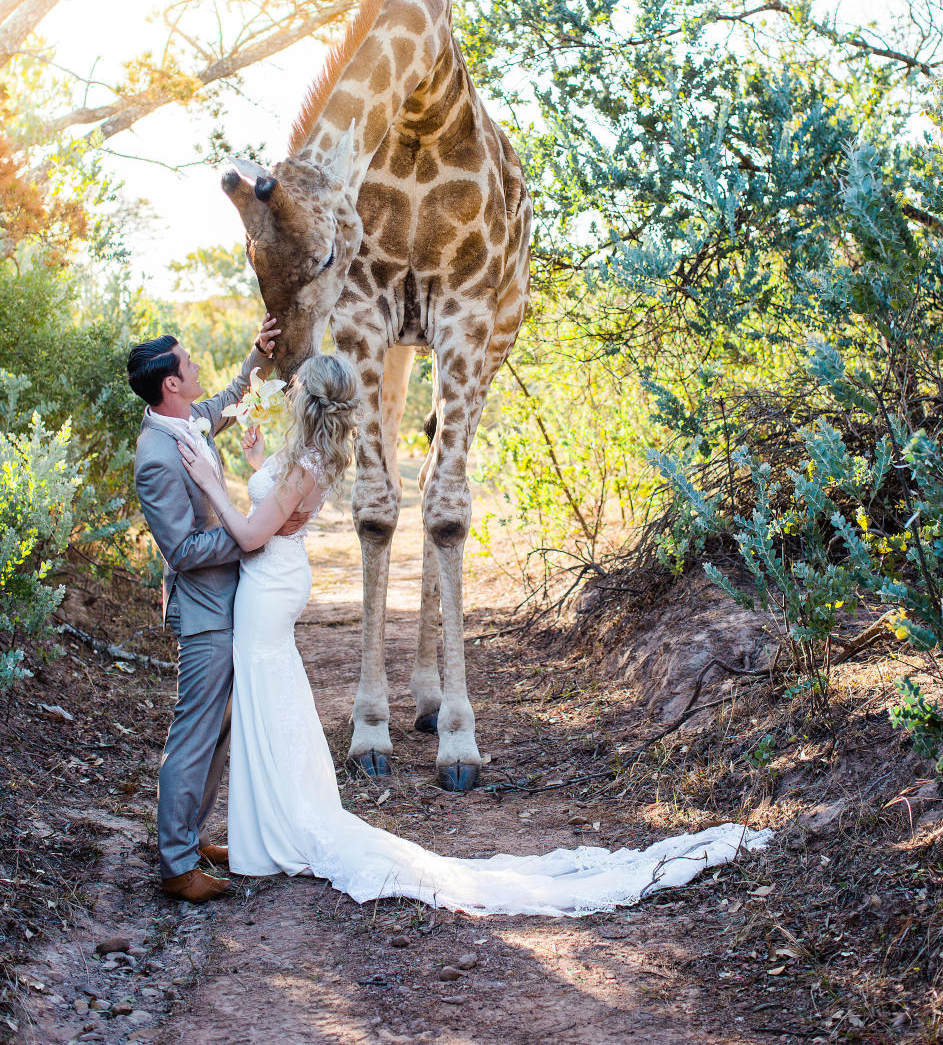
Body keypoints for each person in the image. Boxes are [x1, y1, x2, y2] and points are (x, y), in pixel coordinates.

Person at [177, 350, 771, 916]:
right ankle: (266, 829)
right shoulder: (309, 454)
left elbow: (255, 534)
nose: (289, 387)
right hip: (275, 580)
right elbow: (276, 504)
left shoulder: (306, 461)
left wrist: (209, 482)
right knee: (269, 697)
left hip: (269, 582)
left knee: (266, 692)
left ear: (307, 398)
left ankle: (275, 830)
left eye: (296, 382)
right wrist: (256, 466)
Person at [128, 314, 308, 904]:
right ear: (171, 384)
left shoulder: (186, 421)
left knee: (219, 729)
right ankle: (177, 865)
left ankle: (191, 837)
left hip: (227, 603)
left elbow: (231, 402)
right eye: (188, 363)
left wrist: (257, 356)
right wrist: (255, 530)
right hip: (204, 614)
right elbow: (182, 550)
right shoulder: (156, 454)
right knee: (195, 733)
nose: (197, 365)